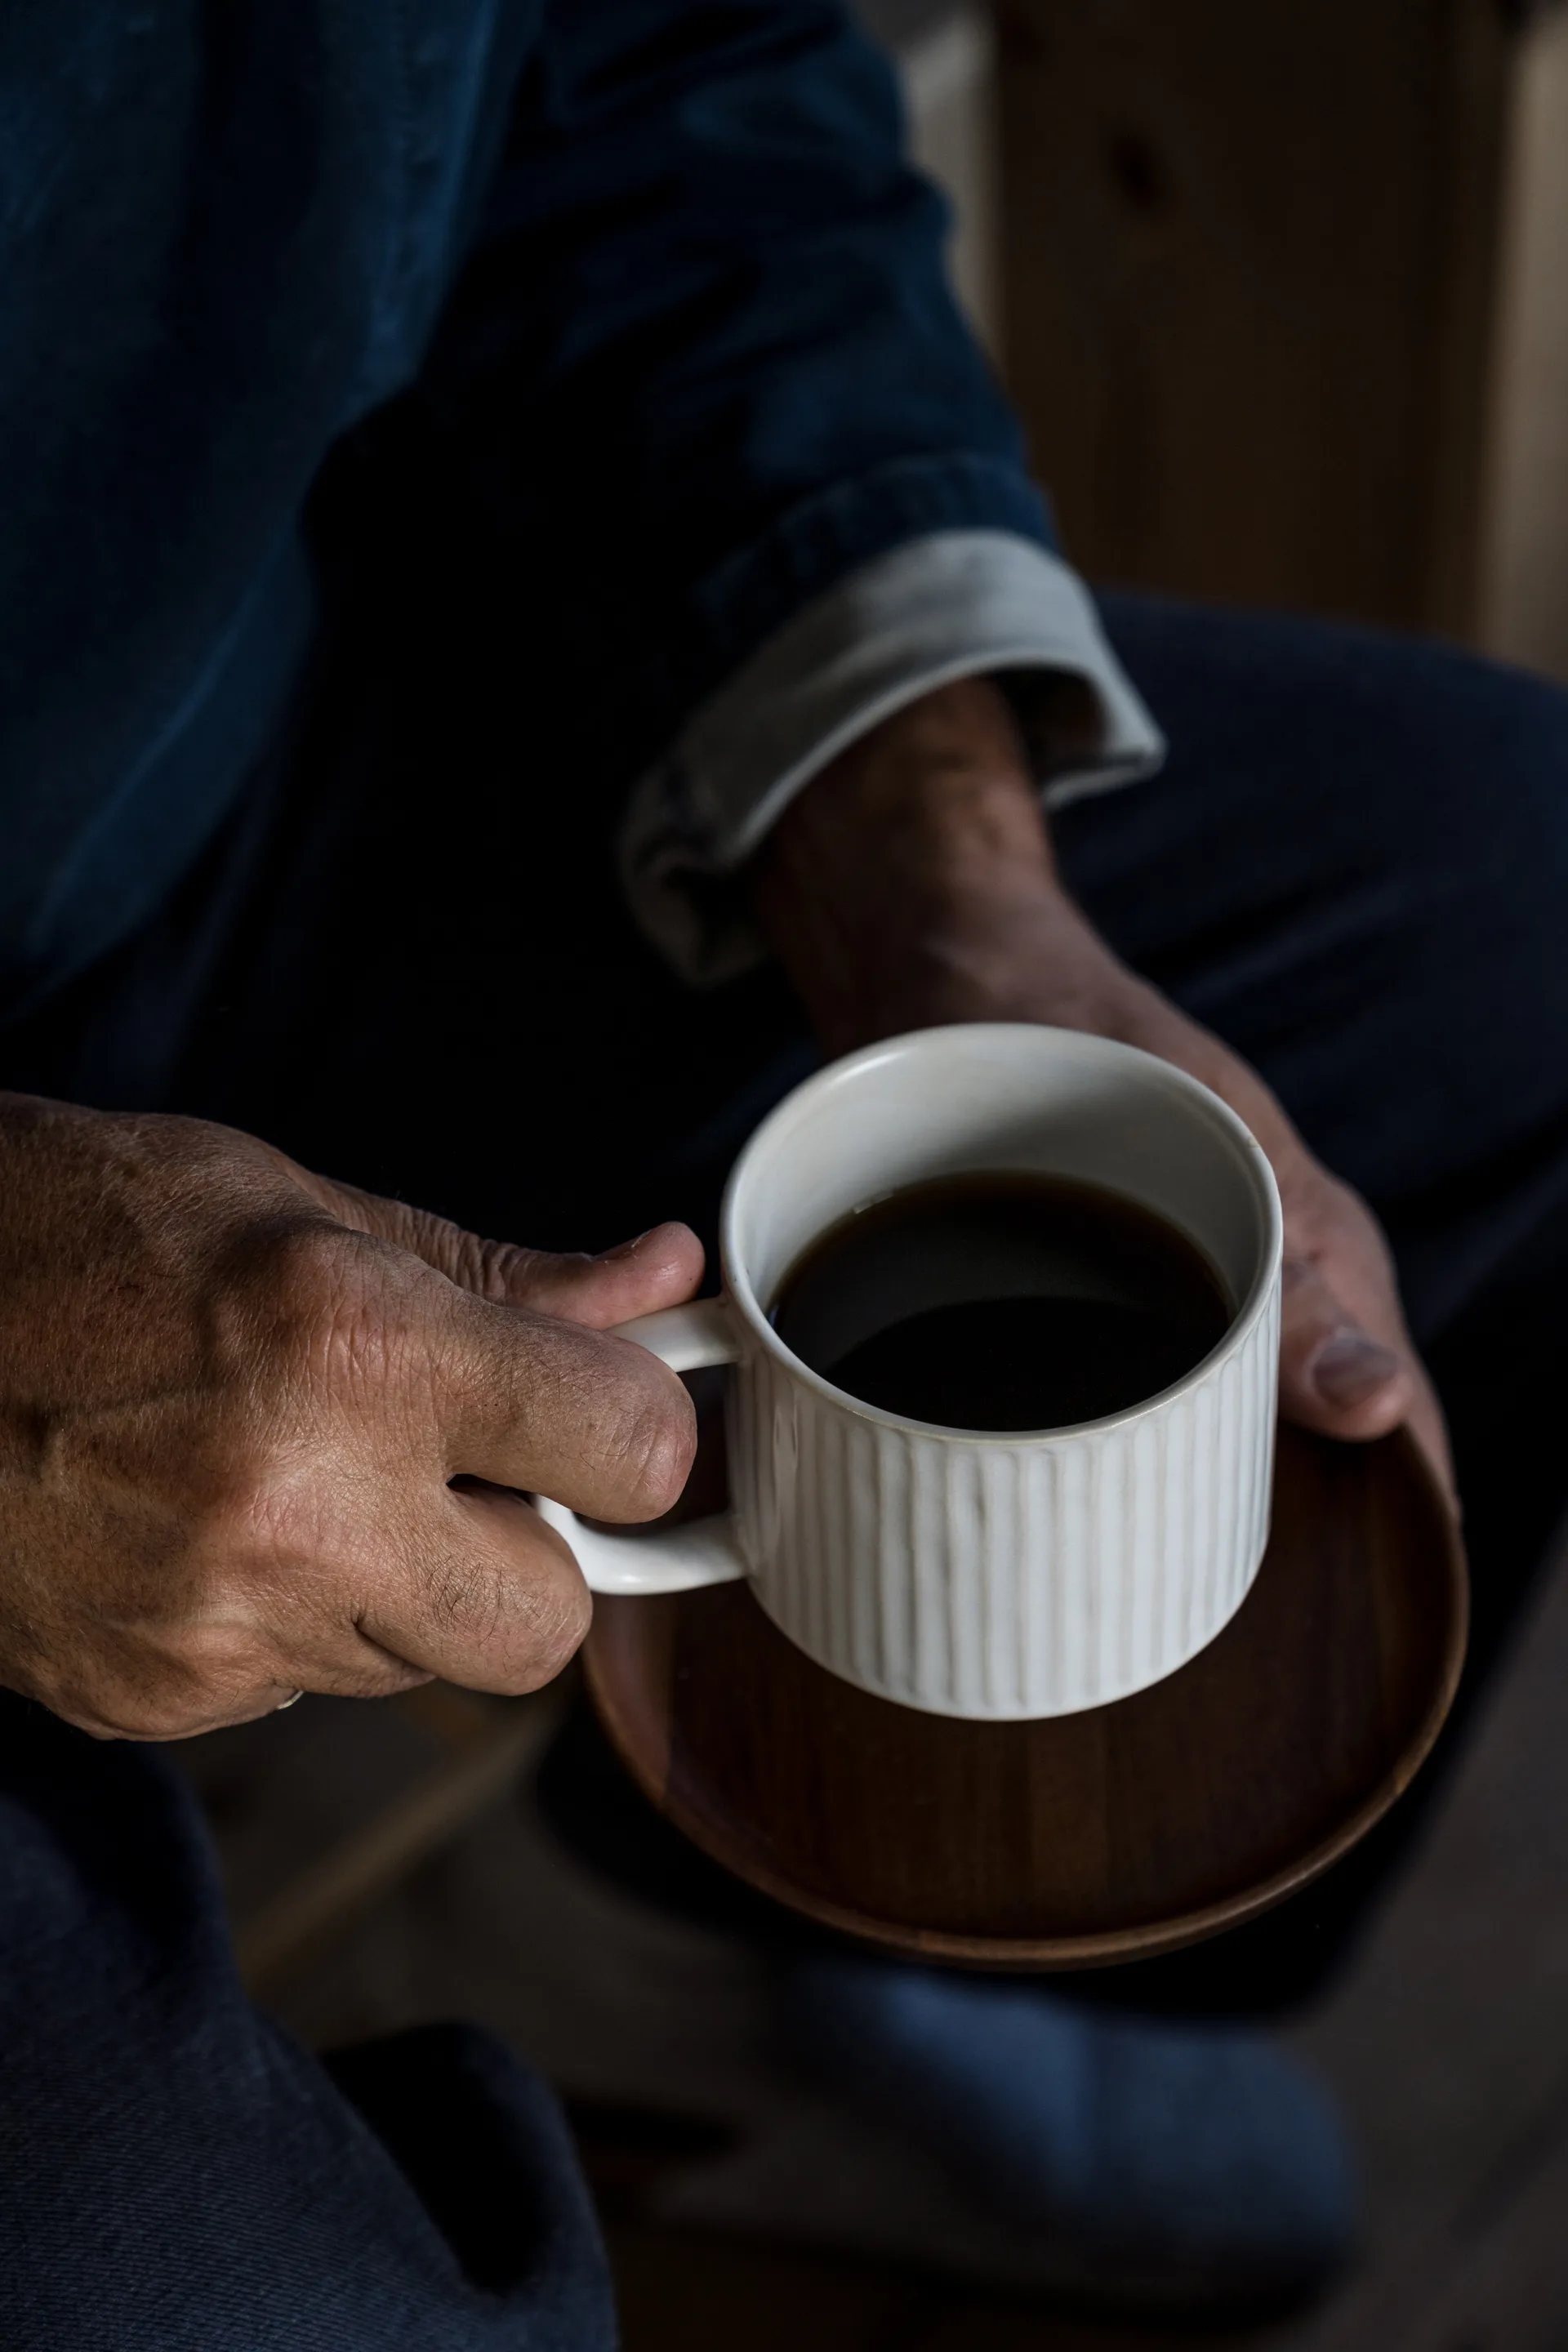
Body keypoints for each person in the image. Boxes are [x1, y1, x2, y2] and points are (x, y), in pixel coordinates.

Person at [2, 2, 1566, 2341]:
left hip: (225, 743)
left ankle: (649, 1952)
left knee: (1509, 907)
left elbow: (661, 80)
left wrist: (951, 893)